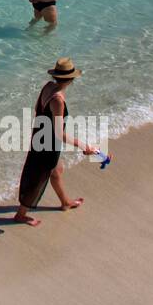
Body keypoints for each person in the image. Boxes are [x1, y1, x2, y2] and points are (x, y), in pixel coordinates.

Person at [13, 57, 100, 227]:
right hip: (48, 142)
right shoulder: (58, 100)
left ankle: (65, 202)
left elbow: (38, 109)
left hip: (40, 134)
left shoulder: (48, 86)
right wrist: (84, 146)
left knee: (55, 170)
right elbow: (59, 133)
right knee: (39, 177)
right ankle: (20, 215)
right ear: (71, 79)